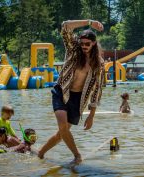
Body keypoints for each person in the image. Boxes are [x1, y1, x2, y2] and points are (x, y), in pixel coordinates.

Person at [38, 19, 104, 164]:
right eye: (82, 43)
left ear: (93, 43)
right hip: (61, 91)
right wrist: (89, 22)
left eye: (87, 44)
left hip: (78, 99)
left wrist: (91, 116)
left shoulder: (98, 63)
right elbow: (65, 26)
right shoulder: (73, 49)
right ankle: (77, 155)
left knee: (61, 134)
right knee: (62, 127)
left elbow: (97, 91)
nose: (84, 46)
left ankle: (40, 154)